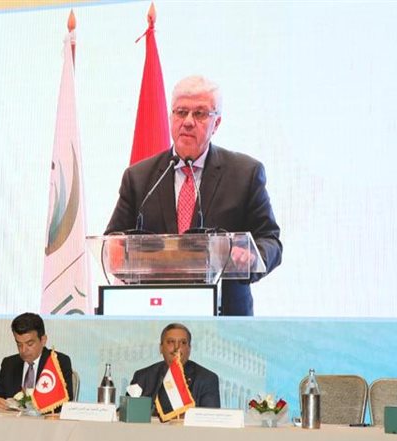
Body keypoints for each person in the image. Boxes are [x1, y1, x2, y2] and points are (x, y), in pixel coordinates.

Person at [104, 75, 282, 316]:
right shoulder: (139, 177)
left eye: (199, 114)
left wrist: (251, 256)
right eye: (181, 112)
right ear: (171, 118)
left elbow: (270, 240)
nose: (188, 122)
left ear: (216, 123)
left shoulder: (245, 174)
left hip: (224, 317)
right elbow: (113, 241)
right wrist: (117, 250)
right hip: (154, 312)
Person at [0, 312, 74, 411]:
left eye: (30, 344)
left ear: (43, 340)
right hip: (12, 420)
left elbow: (64, 404)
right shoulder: (9, 364)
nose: (23, 350)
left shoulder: (58, 362)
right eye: (19, 344)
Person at [130, 323, 220, 410]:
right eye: (170, 342)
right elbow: (127, 412)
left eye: (183, 342)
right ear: (161, 348)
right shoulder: (142, 377)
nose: (177, 347)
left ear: (189, 349)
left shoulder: (207, 379)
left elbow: (210, 417)